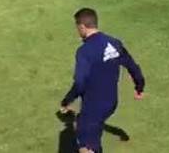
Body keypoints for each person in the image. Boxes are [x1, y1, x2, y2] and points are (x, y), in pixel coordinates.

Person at [60, 8, 145, 153]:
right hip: (111, 102)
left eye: (77, 28)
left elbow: (80, 83)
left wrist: (67, 100)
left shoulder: (84, 51)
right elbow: (132, 66)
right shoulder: (114, 42)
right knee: (89, 129)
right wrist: (139, 86)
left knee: (86, 147)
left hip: (94, 106)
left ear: (82, 27)